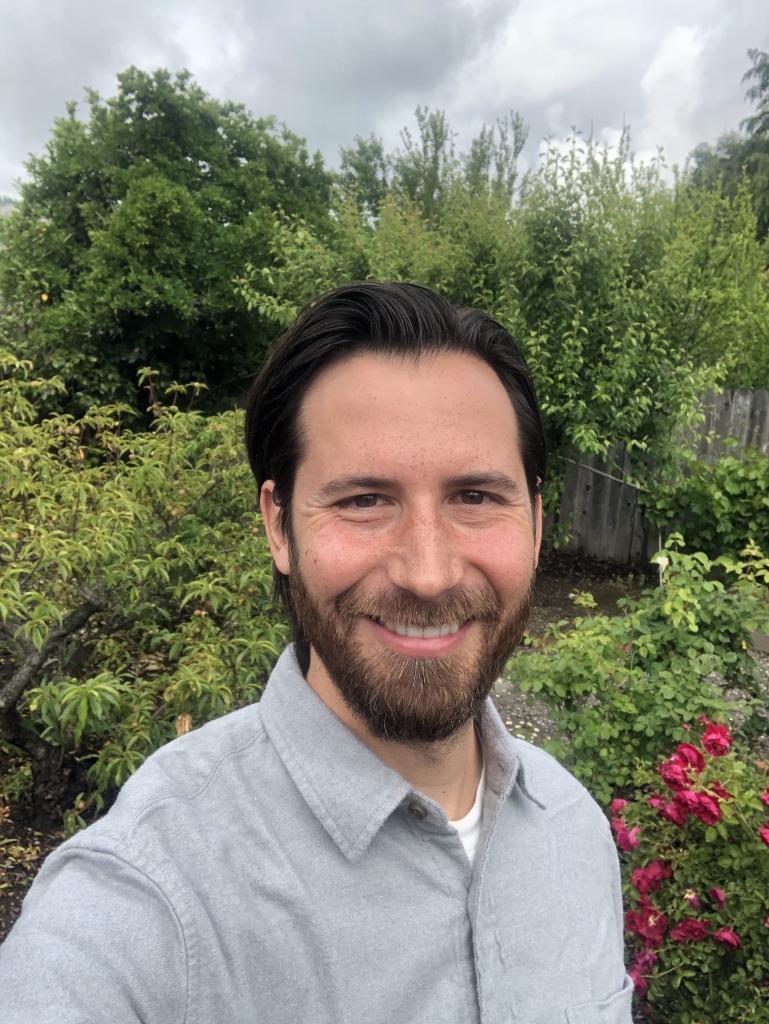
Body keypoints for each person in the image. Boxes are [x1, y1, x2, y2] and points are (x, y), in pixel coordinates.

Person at [1, 282, 633, 1023]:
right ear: (277, 525)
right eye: (363, 500)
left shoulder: (570, 827)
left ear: (532, 524)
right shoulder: (143, 903)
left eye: (475, 497)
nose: (426, 574)